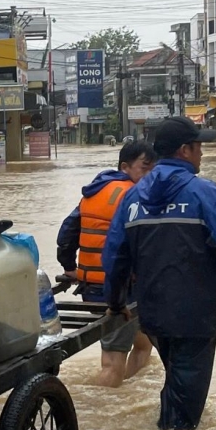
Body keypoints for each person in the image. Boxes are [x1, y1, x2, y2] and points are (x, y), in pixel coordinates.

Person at [102, 116, 216, 430]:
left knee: (177, 378)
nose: (202, 154)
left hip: (153, 312)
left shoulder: (132, 197)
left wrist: (116, 302)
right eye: (199, 147)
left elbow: (115, 257)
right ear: (185, 150)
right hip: (196, 315)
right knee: (185, 406)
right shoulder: (204, 193)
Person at [57, 141, 157, 388]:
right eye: (144, 168)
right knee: (112, 362)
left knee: (144, 345)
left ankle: (125, 396)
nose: (149, 176)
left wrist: (70, 267)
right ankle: (100, 409)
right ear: (125, 166)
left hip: (90, 288)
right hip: (119, 292)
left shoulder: (94, 191)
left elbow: (67, 233)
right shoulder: (134, 197)